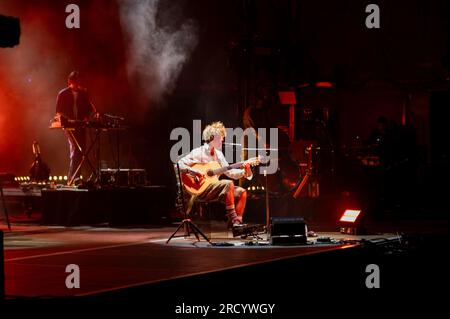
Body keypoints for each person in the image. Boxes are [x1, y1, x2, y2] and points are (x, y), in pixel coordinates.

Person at [178, 121, 253, 232]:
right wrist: (194, 172)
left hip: (214, 189)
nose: (222, 139)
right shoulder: (199, 152)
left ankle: (237, 223)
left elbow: (230, 173)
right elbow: (180, 164)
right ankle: (234, 220)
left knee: (242, 192)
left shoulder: (219, 155)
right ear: (212, 137)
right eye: (221, 137)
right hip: (201, 189)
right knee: (228, 184)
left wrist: (244, 171)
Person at [56, 71, 97, 184]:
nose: (78, 84)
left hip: (80, 125)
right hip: (69, 126)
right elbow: (59, 111)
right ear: (70, 82)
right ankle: (72, 179)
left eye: (79, 81)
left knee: (82, 151)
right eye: (76, 81)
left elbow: (89, 108)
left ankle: (76, 178)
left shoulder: (83, 93)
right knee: (76, 150)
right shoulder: (63, 94)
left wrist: (86, 118)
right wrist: (68, 120)